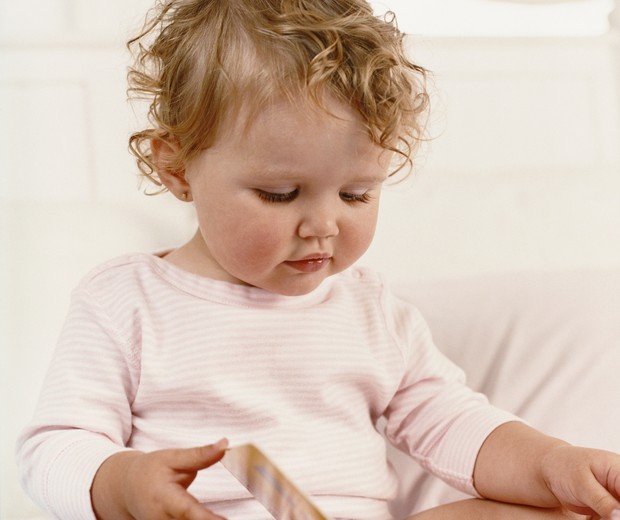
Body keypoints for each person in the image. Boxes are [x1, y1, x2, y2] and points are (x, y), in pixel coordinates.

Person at [15, 1, 620, 519]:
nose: (325, 225)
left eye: (357, 194)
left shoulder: (371, 311)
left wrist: (552, 464)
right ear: (176, 168)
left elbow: (451, 423)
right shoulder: (128, 301)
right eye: (280, 194)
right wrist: (123, 485)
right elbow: (55, 446)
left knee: (545, 514)